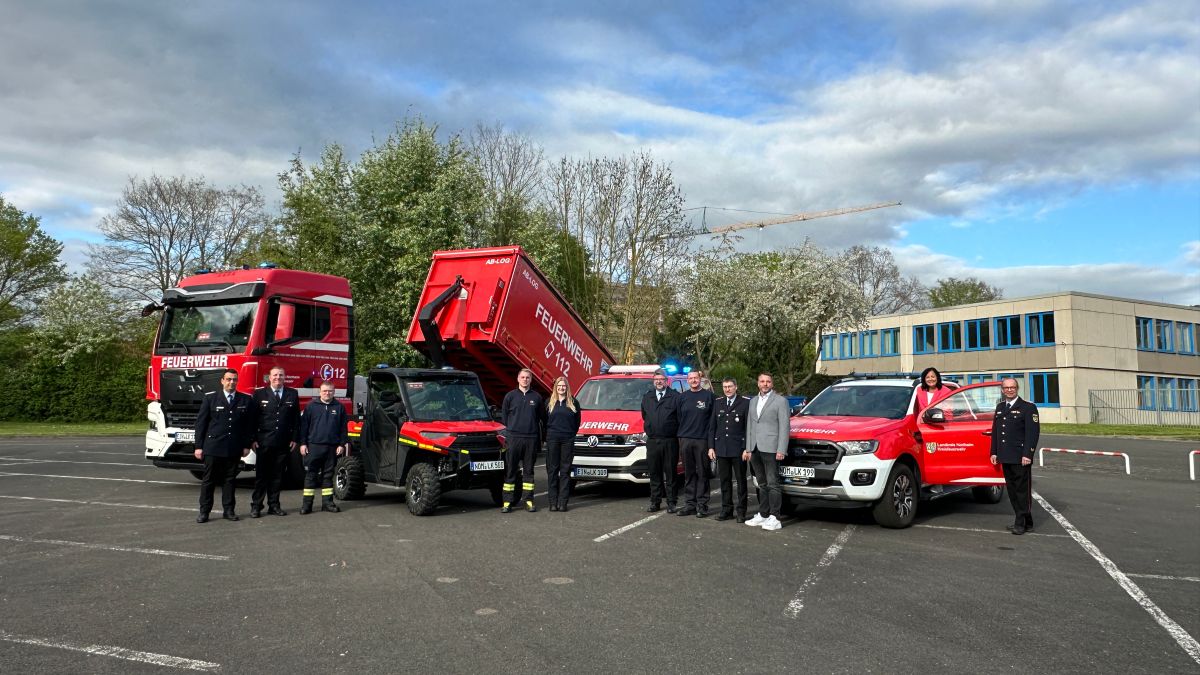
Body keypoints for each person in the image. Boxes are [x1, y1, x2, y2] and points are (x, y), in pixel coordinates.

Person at [193, 368, 254, 523]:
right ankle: (204, 512)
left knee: (230, 481)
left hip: (233, 447)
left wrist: (246, 445)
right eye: (228, 379)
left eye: (234, 379)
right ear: (222, 381)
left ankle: (229, 510)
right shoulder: (211, 398)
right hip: (213, 446)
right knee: (209, 481)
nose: (231, 382)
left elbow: (248, 426)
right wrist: (198, 446)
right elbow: (201, 424)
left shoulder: (245, 400)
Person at [990, 378, 1040, 535]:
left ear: (1017, 388)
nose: (1009, 390)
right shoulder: (1000, 407)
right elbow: (996, 432)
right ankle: (1028, 521)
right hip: (1005, 456)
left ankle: (1020, 522)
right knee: (1012, 490)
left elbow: (1032, 434)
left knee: (1021, 490)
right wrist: (994, 452)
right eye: (1006, 388)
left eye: (1012, 387)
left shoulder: (1028, 407)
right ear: (1002, 390)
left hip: (1020, 457)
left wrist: (1028, 454)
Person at [249, 366, 300, 518]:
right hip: (264, 442)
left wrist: (295, 438)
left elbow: (296, 419)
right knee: (261, 476)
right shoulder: (259, 394)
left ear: (285, 377)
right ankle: (256, 506)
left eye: (281, 375)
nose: (278, 377)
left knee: (277, 476)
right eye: (275, 375)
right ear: (269, 378)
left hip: (283, 442)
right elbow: (252, 419)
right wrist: (252, 439)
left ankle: (274, 505)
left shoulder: (292, 393)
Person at [743, 373, 791, 532]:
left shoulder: (780, 401)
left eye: (768, 381)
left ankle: (775, 517)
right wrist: (749, 448)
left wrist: (781, 449)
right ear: (758, 383)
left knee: (773, 484)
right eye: (762, 381)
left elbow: (784, 427)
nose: (765, 384)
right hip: (755, 448)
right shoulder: (753, 401)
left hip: (772, 448)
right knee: (761, 484)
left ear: (772, 383)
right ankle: (763, 514)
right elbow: (750, 425)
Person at [298, 381, 348, 514]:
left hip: (332, 448)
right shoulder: (311, 406)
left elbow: (343, 428)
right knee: (310, 476)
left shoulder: (339, 407)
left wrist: (341, 444)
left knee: (328, 476)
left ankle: (327, 503)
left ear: (334, 392)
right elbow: (303, 427)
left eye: (330, 391)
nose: (327, 393)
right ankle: (307, 505)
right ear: (319, 392)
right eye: (325, 391)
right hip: (313, 447)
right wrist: (302, 443)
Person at [501, 368, 545, 513]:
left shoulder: (537, 397)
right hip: (514, 438)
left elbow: (540, 418)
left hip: (530, 438)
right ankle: (507, 502)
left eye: (528, 377)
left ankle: (529, 501)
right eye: (523, 377)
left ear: (531, 380)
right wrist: (512, 431)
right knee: (511, 471)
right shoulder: (510, 396)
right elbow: (505, 418)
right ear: (518, 379)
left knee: (529, 471)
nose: (525, 380)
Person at [708, 377, 751, 522]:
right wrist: (711, 447)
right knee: (724, 481)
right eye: (725, 386)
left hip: (739, 449)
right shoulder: (718, 402)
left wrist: (746, 448)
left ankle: (741, 511)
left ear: (736, 387)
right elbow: (712, 427)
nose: (727, 389)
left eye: (730, 386)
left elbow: (748, 428)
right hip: (722, 448)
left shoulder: (745, 403)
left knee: (741, 481)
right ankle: (726, 509)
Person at [641, 369, 681, 513]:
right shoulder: (647, 397)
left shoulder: (675, 397)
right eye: (656, 379)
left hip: (669, 441)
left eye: (661, 379)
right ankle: (655, 502)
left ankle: (671, 502)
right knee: (654, 473)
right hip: (652, 441)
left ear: (666, 381)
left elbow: (680, 418)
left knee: (670, 473)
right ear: (653, 381)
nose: (659, 382)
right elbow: (645, 416)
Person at [677, 370, 715, 517]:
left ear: (700, 379)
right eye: (691, 378)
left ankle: (702, 504)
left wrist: (711, 444)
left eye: (696, 378)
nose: (693, 380)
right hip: (686, 439)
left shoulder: (709, 397)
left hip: (702, 440)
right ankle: (690, 504)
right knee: (689, 473)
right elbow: (680, 418)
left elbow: (712, 422)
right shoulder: (682, 397)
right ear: (687, 380)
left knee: (703, 473)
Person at [544, 377, 582, 512]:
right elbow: (544, 422)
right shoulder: (549, 402)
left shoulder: (573, 403)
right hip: (552, 440)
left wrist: (570, 435)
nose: (561, 388)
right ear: (556, 387)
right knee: (552, 471)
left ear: (567, 387)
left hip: (567, 440)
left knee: (565, 471)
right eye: (559, 386)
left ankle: (563, 503)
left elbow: (577, 423)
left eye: (564, 386)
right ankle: (553, 502)